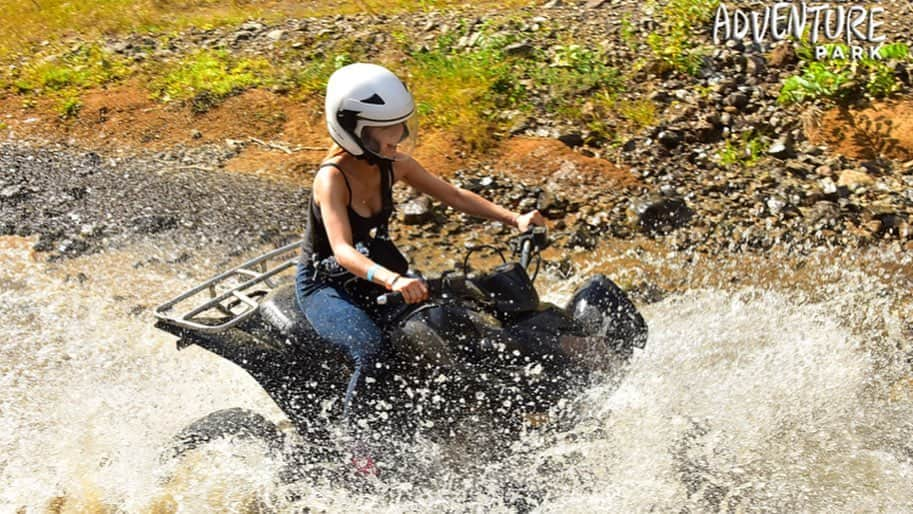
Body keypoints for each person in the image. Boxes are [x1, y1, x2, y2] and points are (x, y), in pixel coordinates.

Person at [294, 62, 545, 447]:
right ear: (352, 128)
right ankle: (353, 448)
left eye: (401, 123)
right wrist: (394, 279)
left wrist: (515, 219)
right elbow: (342, 250)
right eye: (386, 127)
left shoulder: (393, 164)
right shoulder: (331, 178)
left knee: (452, 320)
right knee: (370, 349)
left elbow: (455, 196)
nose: (400, 134)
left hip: (374, 269)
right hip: (328, 284)